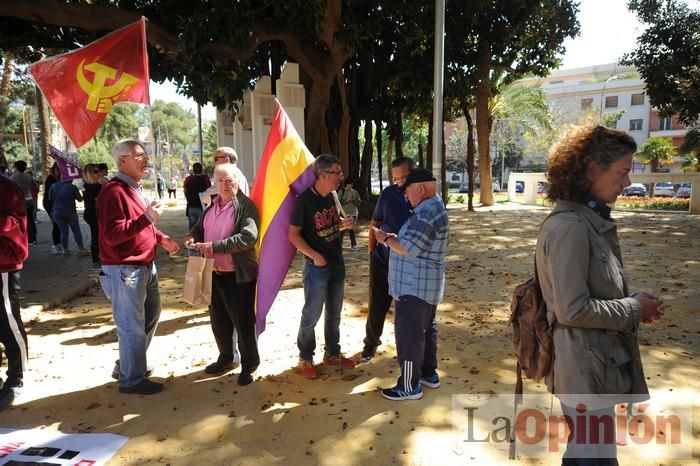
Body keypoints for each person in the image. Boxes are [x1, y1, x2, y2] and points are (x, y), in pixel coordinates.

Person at [536, 124, 665, 463]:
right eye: (622, 172)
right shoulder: (571, 228)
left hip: (596, 369)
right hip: (584, 373)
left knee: (587, 457)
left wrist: (634, 299)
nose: (627, 183)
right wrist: (633, 308)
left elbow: (593, 290)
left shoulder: (588, 222)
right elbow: (572, 309)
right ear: (593, 168)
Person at [97, 139, 180, 395]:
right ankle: (131, 379)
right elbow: (112, 234)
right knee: (131, 324)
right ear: (123, 160)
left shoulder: (134, 188)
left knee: (151, 315)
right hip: (125, 270)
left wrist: (160, 237)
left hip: (144, 265)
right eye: (139, 155)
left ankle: (127, 366)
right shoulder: (113, 191)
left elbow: (139, 225)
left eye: (145, 155)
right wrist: (147, 217)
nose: (146, 159)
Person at [373, 168, 448, 401]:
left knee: (409, 336)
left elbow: (408, 248)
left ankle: (408, 386)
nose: (406, 197)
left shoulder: (427, 213)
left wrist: (385, 238)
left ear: (421, 189)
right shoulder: (433, 207)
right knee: (426, 330)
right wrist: (396, 238)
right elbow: (412, 242)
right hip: (423, 285)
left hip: (413, 287)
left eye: (407, 192)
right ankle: (428, 374)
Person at [185, 163, 260, 386]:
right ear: (214, 183)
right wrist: (192, 235)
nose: (224, 185)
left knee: (243, 323)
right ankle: (226, 358)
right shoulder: (211, 206)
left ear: (238, 181)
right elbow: (200, 228)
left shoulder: (246, 207)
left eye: (229, 180)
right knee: (219, 321)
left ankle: (249, 365)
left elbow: (248, 237)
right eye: (220, 181)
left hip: (237, 275)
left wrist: (215, 247)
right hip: (213, 272)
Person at [288, 154, 356, 379]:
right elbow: (293, 235)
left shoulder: (334, 196)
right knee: (312, 314)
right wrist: (314, 255)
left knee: (334, 313)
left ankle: (332, 353)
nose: (341, 177)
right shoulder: (304, 201)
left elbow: (333, 226)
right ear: (323, 175)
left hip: (337, 264)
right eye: (337, 173)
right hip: (316, 267)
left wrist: (345, 225)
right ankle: (305, 357)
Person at [360, 157, 414, 362]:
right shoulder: (388, 194)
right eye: (396, 178)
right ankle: (370, 344)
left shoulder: (422, 197)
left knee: (408, 310)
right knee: (377, 305)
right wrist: (372, 253)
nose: (400, 182)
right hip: (383, 260)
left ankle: (409, 353)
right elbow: (375, 221)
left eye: (404, 177)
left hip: (409, 264)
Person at [0, 175, 29, 410]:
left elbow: (16, 224)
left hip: (4, 265)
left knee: (8, 321)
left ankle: (16, 377)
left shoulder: (7, 188)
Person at [48, 177, 89, 256]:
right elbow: (80, 199)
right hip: (70, 212)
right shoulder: (72, 187)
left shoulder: (53, 186)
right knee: (76, 231)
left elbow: (50, 198)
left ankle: (65, 250)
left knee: (63, 232)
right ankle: (81, 249)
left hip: (57, 212)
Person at [9, 160, 37, 244]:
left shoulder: (12, 177)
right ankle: (34, 236)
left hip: (18, 201)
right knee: (30, 219)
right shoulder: (28, 176)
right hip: (29, 199)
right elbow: (35, 186)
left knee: (22, 220)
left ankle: (28, 238)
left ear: (16, 167)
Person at [82, 163, 103, 268]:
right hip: (93, 215)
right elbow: (91, 204)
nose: (98, 173)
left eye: (98, 171)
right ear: (89, 174)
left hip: (98, 215)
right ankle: (96, 260)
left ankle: (100, 258)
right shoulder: (90, 187)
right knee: (96, 237)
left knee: (99, 236)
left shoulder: (97, 185)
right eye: (95, 171)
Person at [183, 162, 211, 230]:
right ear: (202, 170)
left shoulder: (188, 179)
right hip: (203, 206)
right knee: (202, 228)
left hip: (191, 206)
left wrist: (188, 198)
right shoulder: (205, 179)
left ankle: (192, 240)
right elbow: (210, 191)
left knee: (192, 229)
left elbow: (185, 190)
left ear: (193, 170)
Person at [43, 163, 63, 254]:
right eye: (57, 170)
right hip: (50, 204)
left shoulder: (61, 178)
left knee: (59, 225)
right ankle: (56, 245)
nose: (59, 172)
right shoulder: (51, 179)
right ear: (54, 169)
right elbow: (49, 195)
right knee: (56, 224)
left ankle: (59, 243)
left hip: (58, 204)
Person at [338, 178, 361, 250]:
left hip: (354, 213)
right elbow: (338, 202)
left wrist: (354, 200)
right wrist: (347, 201)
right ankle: (339, 245)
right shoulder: (342, 191)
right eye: (349, 183)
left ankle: (353, 245)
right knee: (342, 230)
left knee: (351, 229)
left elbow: (359, 202)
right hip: (344, 213)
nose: (350, 185)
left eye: (351, 184)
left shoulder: (355, 192)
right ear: (346, 184)